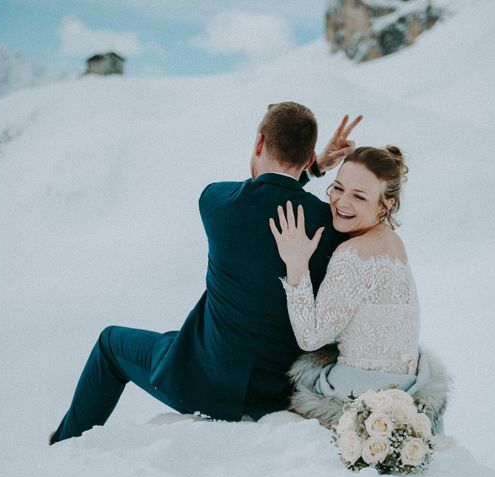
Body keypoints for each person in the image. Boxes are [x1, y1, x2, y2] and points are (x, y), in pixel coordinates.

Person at [49, 102, 362, 444]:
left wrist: (312, 169)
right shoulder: (330, 228)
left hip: (203, 383)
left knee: (110, 343)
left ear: (259, 143)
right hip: (276, 393)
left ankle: (62, 446)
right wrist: (311, 169)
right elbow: (279, 193)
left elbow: (263, 194)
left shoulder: (217, 202)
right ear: (308, 154)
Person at [269, 146, 450, 432]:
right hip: (406, 387)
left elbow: (310, 337)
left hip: (358, 393)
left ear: (386, 205)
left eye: (359, 196)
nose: (342, 202)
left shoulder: (354, 253)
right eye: (338, 188)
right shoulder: (393, 242)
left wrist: (296, 264)